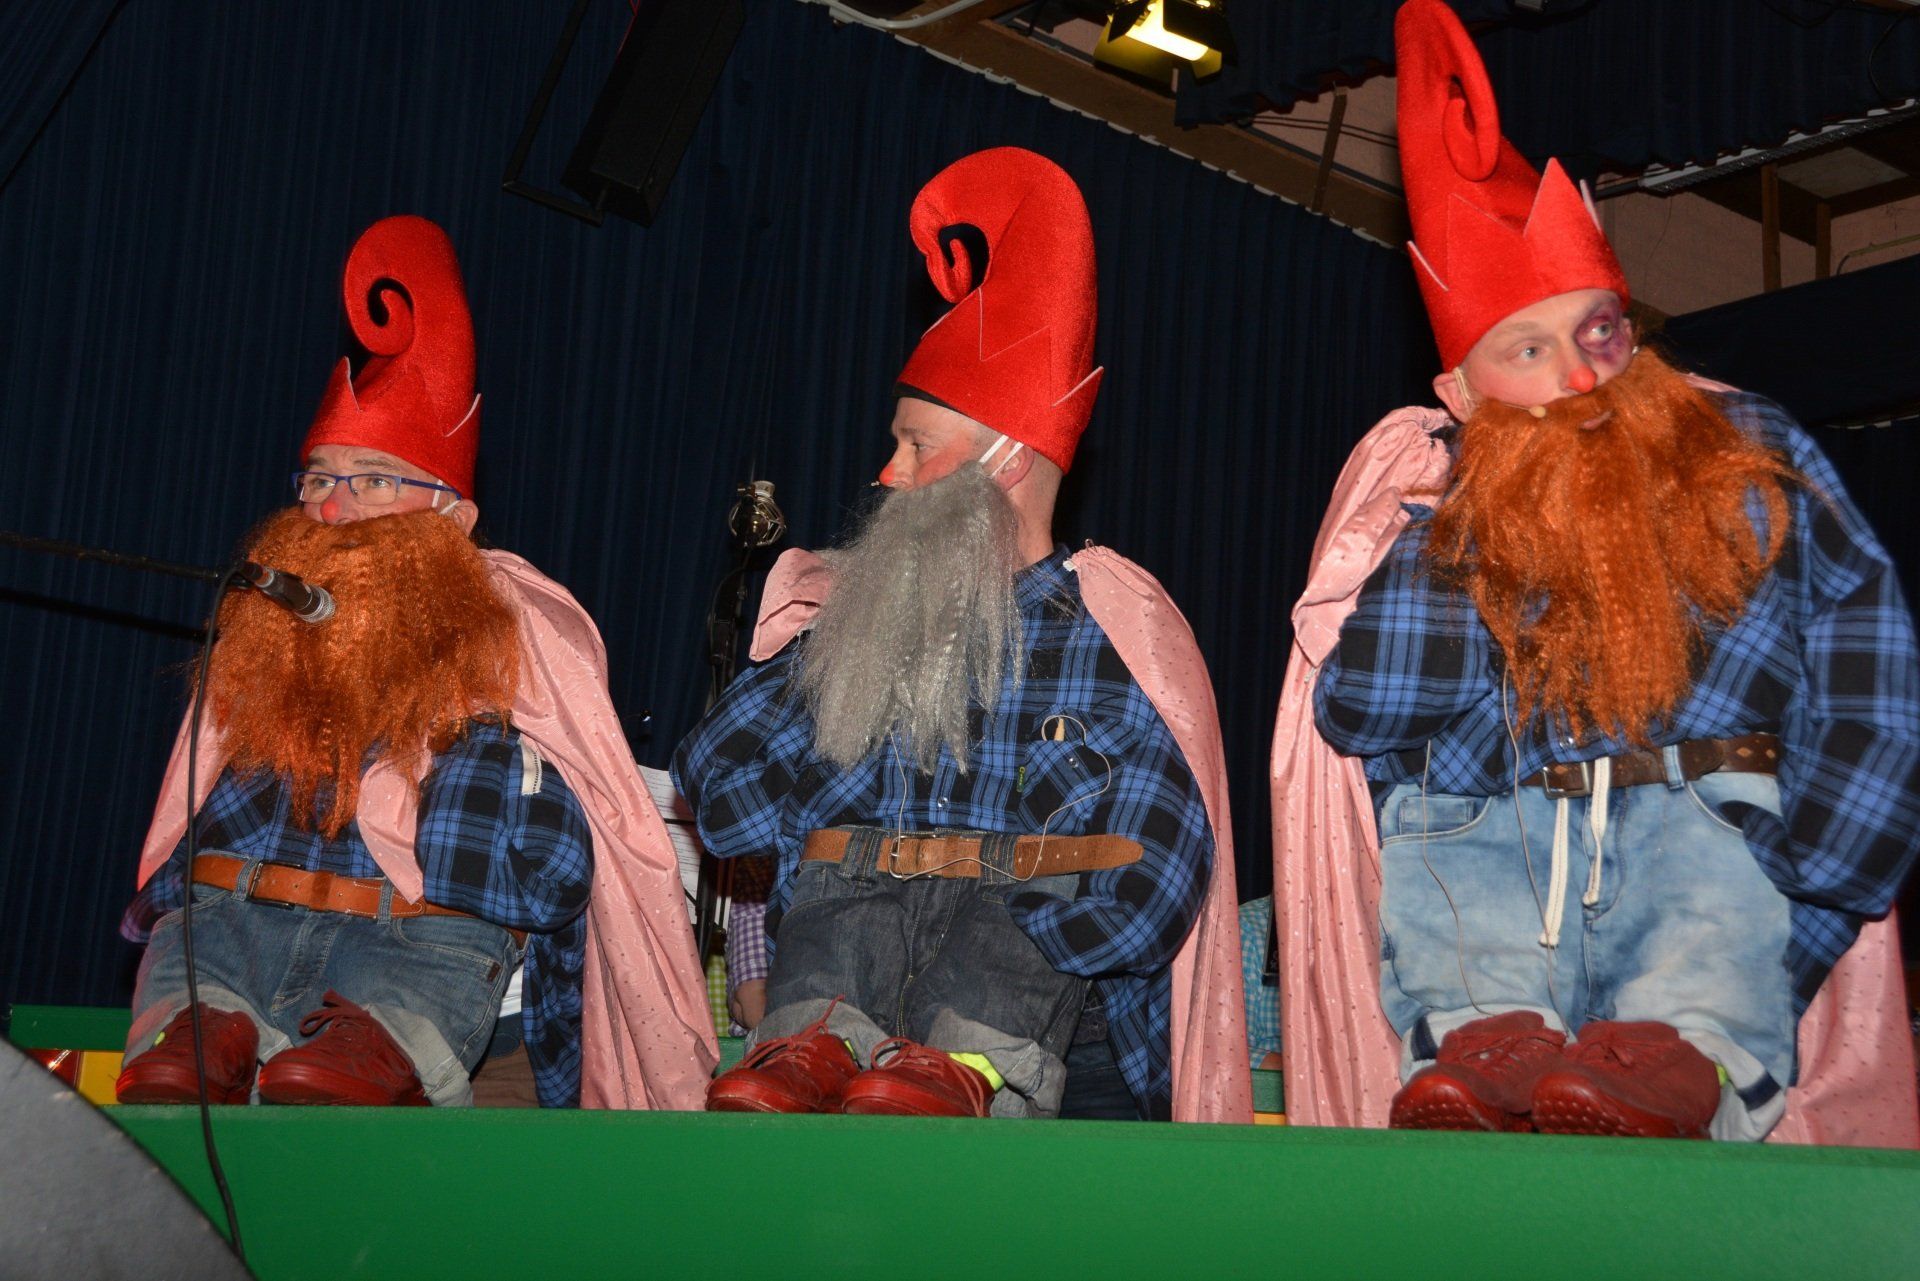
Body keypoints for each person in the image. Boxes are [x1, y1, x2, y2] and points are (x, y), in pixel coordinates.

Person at [1292, 0, 1920, 1143]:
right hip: (1500, 882)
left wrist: (1821, 866)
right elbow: (1365, 710)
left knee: (1695, 949)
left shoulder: (1739, 449)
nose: (1582, 379)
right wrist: (1476, 507)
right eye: (1529, 351)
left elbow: (1862, 641)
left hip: (1707, 849)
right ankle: (1486, 1040)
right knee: (1442, 824)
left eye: (1598, 332)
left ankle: (1681, 1052)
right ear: (1463, 392)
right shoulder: (1441, 508)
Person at [675, 147, 1250, 1122]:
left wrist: (1045, 910)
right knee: (844, 883)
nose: (889, 474)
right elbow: (718, 785)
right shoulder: (866, 618)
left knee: (1022, 902)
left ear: (1007, 459)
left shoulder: (1108, 639)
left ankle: (966, 1066)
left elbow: (1157, 860)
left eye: (915, 446)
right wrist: (823, 715)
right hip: (851, 960)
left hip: (1020, 986)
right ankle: (811, 1043)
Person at [116, 215, 716, 1109]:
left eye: (372, 479)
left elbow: (582, 844)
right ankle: (209, 1023)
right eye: (320, 478)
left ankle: (378, 1039)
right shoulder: (270, 622)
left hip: (418, 960)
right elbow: (194, 812)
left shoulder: (520, 632)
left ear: (455, 518)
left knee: (388, 1043)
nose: (334, 508)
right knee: (196, 973)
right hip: (238, 931)